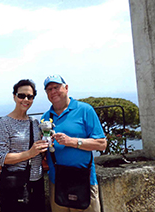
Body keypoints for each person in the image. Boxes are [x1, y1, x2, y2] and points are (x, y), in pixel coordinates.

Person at [41, 75, 107, 212]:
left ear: (66, 87)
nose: (53, 91)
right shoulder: (45, 118)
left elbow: (101, 144)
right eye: (49, 89)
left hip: (84, 180)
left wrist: (72, 141)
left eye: (56, 87)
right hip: (57, 182)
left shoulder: (85, 110)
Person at [0, 79, 49, 212]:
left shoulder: (34, 122)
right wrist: (29, 153)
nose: (25, 99)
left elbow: (39, 152)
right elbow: (1, 158)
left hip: (37, 182)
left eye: (30, 97)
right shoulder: (4, 123)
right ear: (14, 97)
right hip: (15, 185)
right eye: (21, 96)